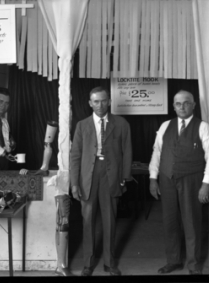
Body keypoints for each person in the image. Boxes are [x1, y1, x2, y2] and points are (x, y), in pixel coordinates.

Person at [149, 90, 209, 275]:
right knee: (170, 222)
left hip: (192, 179)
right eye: (178, 104)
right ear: (173, 106)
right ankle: (173, 261)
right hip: (167, 179)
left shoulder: (204, 127)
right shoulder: (166, 126)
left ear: (193, 105)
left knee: (191, 222)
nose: (182, 107)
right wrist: (153, 178)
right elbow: (157, 153)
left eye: (186, 103)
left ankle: (193, 264)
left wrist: (206, 184)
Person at [69, 86, 132, 276]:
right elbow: (75, 156)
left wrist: (124, 178)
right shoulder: (82, 125)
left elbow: (127, 152)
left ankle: (109, 263)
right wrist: (74, 183)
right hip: (88, 176)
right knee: (87, 221)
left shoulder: (121, 124)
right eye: (96, 101)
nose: (100, 105)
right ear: (90, 103)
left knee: (110, 220)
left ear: (109, 101)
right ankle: (88, 263)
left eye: (103, 100)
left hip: (111, 176)